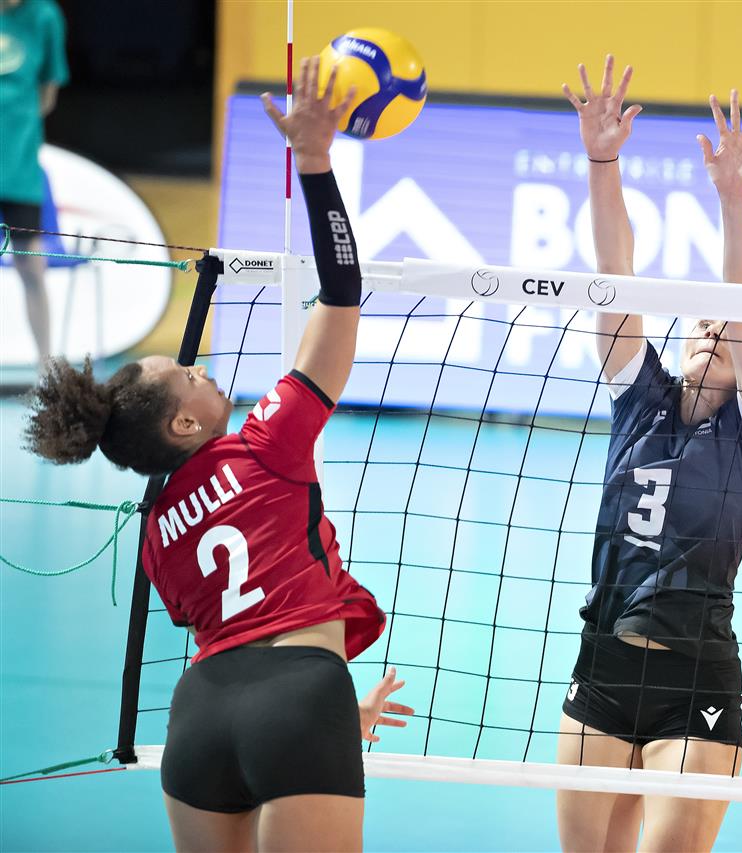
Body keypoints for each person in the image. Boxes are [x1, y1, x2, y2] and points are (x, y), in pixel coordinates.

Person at [23, 57, 411, 852]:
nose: (200, 368)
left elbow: (237, 632)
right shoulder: (268, 439)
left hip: (198, 718)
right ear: (184, 424)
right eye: (187, 376)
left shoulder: (156, 528)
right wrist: (314, 162)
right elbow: (342, 292)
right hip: (301, 699)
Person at [557, 55, 742, 852]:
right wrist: (603, 161)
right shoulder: (639, 396)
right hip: (602, 661)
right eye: (702, 318)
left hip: (696, 679)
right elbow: (613, 274)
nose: (712, 327)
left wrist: (734, 200)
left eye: (731, 328)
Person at [0, 0, 67, 365]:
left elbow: (48, 94)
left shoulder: (44, 16)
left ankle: (45, 367)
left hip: (20, 170)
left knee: (31, 268)